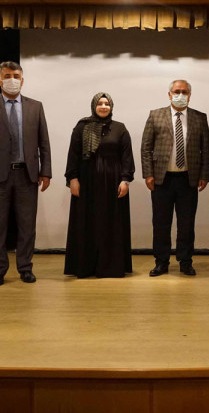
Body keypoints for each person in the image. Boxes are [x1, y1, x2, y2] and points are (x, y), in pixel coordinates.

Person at [0, 61, 51, 286]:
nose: (12, 80)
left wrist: (46, 172)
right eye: (7, 76)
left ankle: (25, 268)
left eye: (16, 76)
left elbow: (44, 142)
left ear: (22, 80)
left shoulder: (36, 107)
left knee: (27, 226)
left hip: (27, 175)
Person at [140, 79, 209, 277]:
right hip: (162, 179)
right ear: (169, 94)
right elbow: (146, 148)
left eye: (184, 92)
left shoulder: (199, 118)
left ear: (190, 95)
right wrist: (148, 174)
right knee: (161, 223)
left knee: (186, 224)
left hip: (188, 179)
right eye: (177, 91)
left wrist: (204, 175)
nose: (181, 95)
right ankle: (161, 262)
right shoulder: (155, 115)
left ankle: (185, 261)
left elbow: (206, 149)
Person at [64, 92, 134, 278]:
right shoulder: (81, 127)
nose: (103, 107)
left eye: (107, 104)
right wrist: (72, 179)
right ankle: (86, 266)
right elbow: (73, 155)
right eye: (100, 103)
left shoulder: (120, 128)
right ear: (94, 106)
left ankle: (110, 267)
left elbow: (127, 157)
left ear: (111, 107)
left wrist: (125, 180)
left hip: (113, 184)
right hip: (86, 183)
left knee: (111, 223)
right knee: (87, 222)